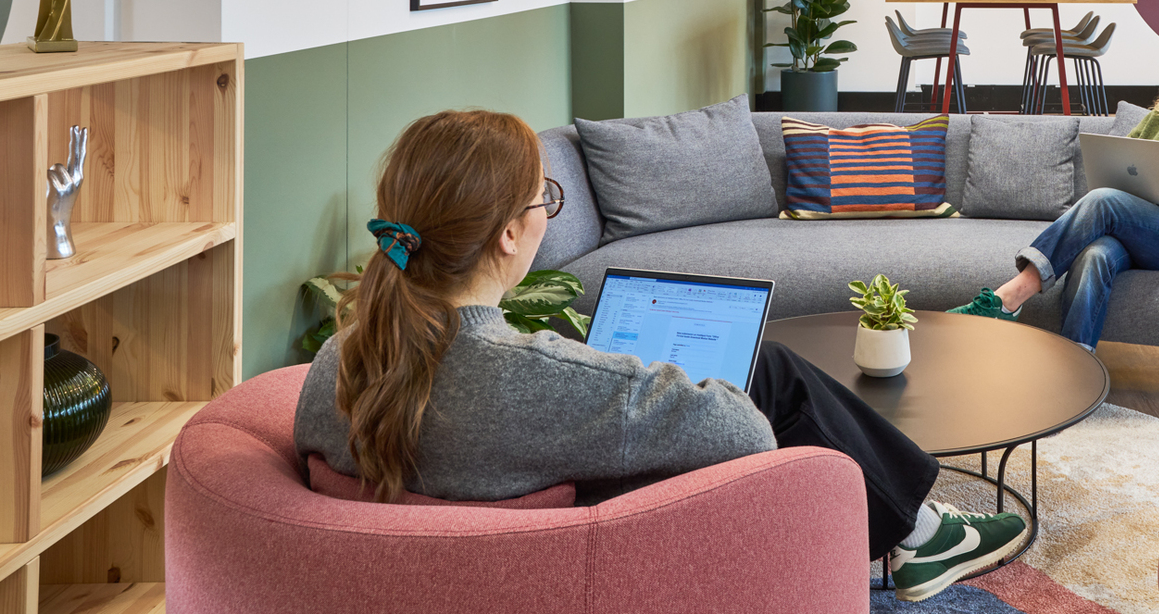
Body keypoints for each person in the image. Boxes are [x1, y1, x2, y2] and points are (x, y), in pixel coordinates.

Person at [293, 110, 1024, 604]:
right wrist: (622, 381)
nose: (547, 210)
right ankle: (924, 531)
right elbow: (744, 433)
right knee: (767, 374)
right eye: (542, 198)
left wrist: (594, 377)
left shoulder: (338, 362)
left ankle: (923, 524)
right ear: (509, 236)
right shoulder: (537, 379)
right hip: (593, 565)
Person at [950, 23, 1159, 349]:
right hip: (1142, 226)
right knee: (1095, 255)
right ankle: (1076, 363)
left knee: (1104, 201)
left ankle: (1010, 296)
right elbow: (1126, 161)